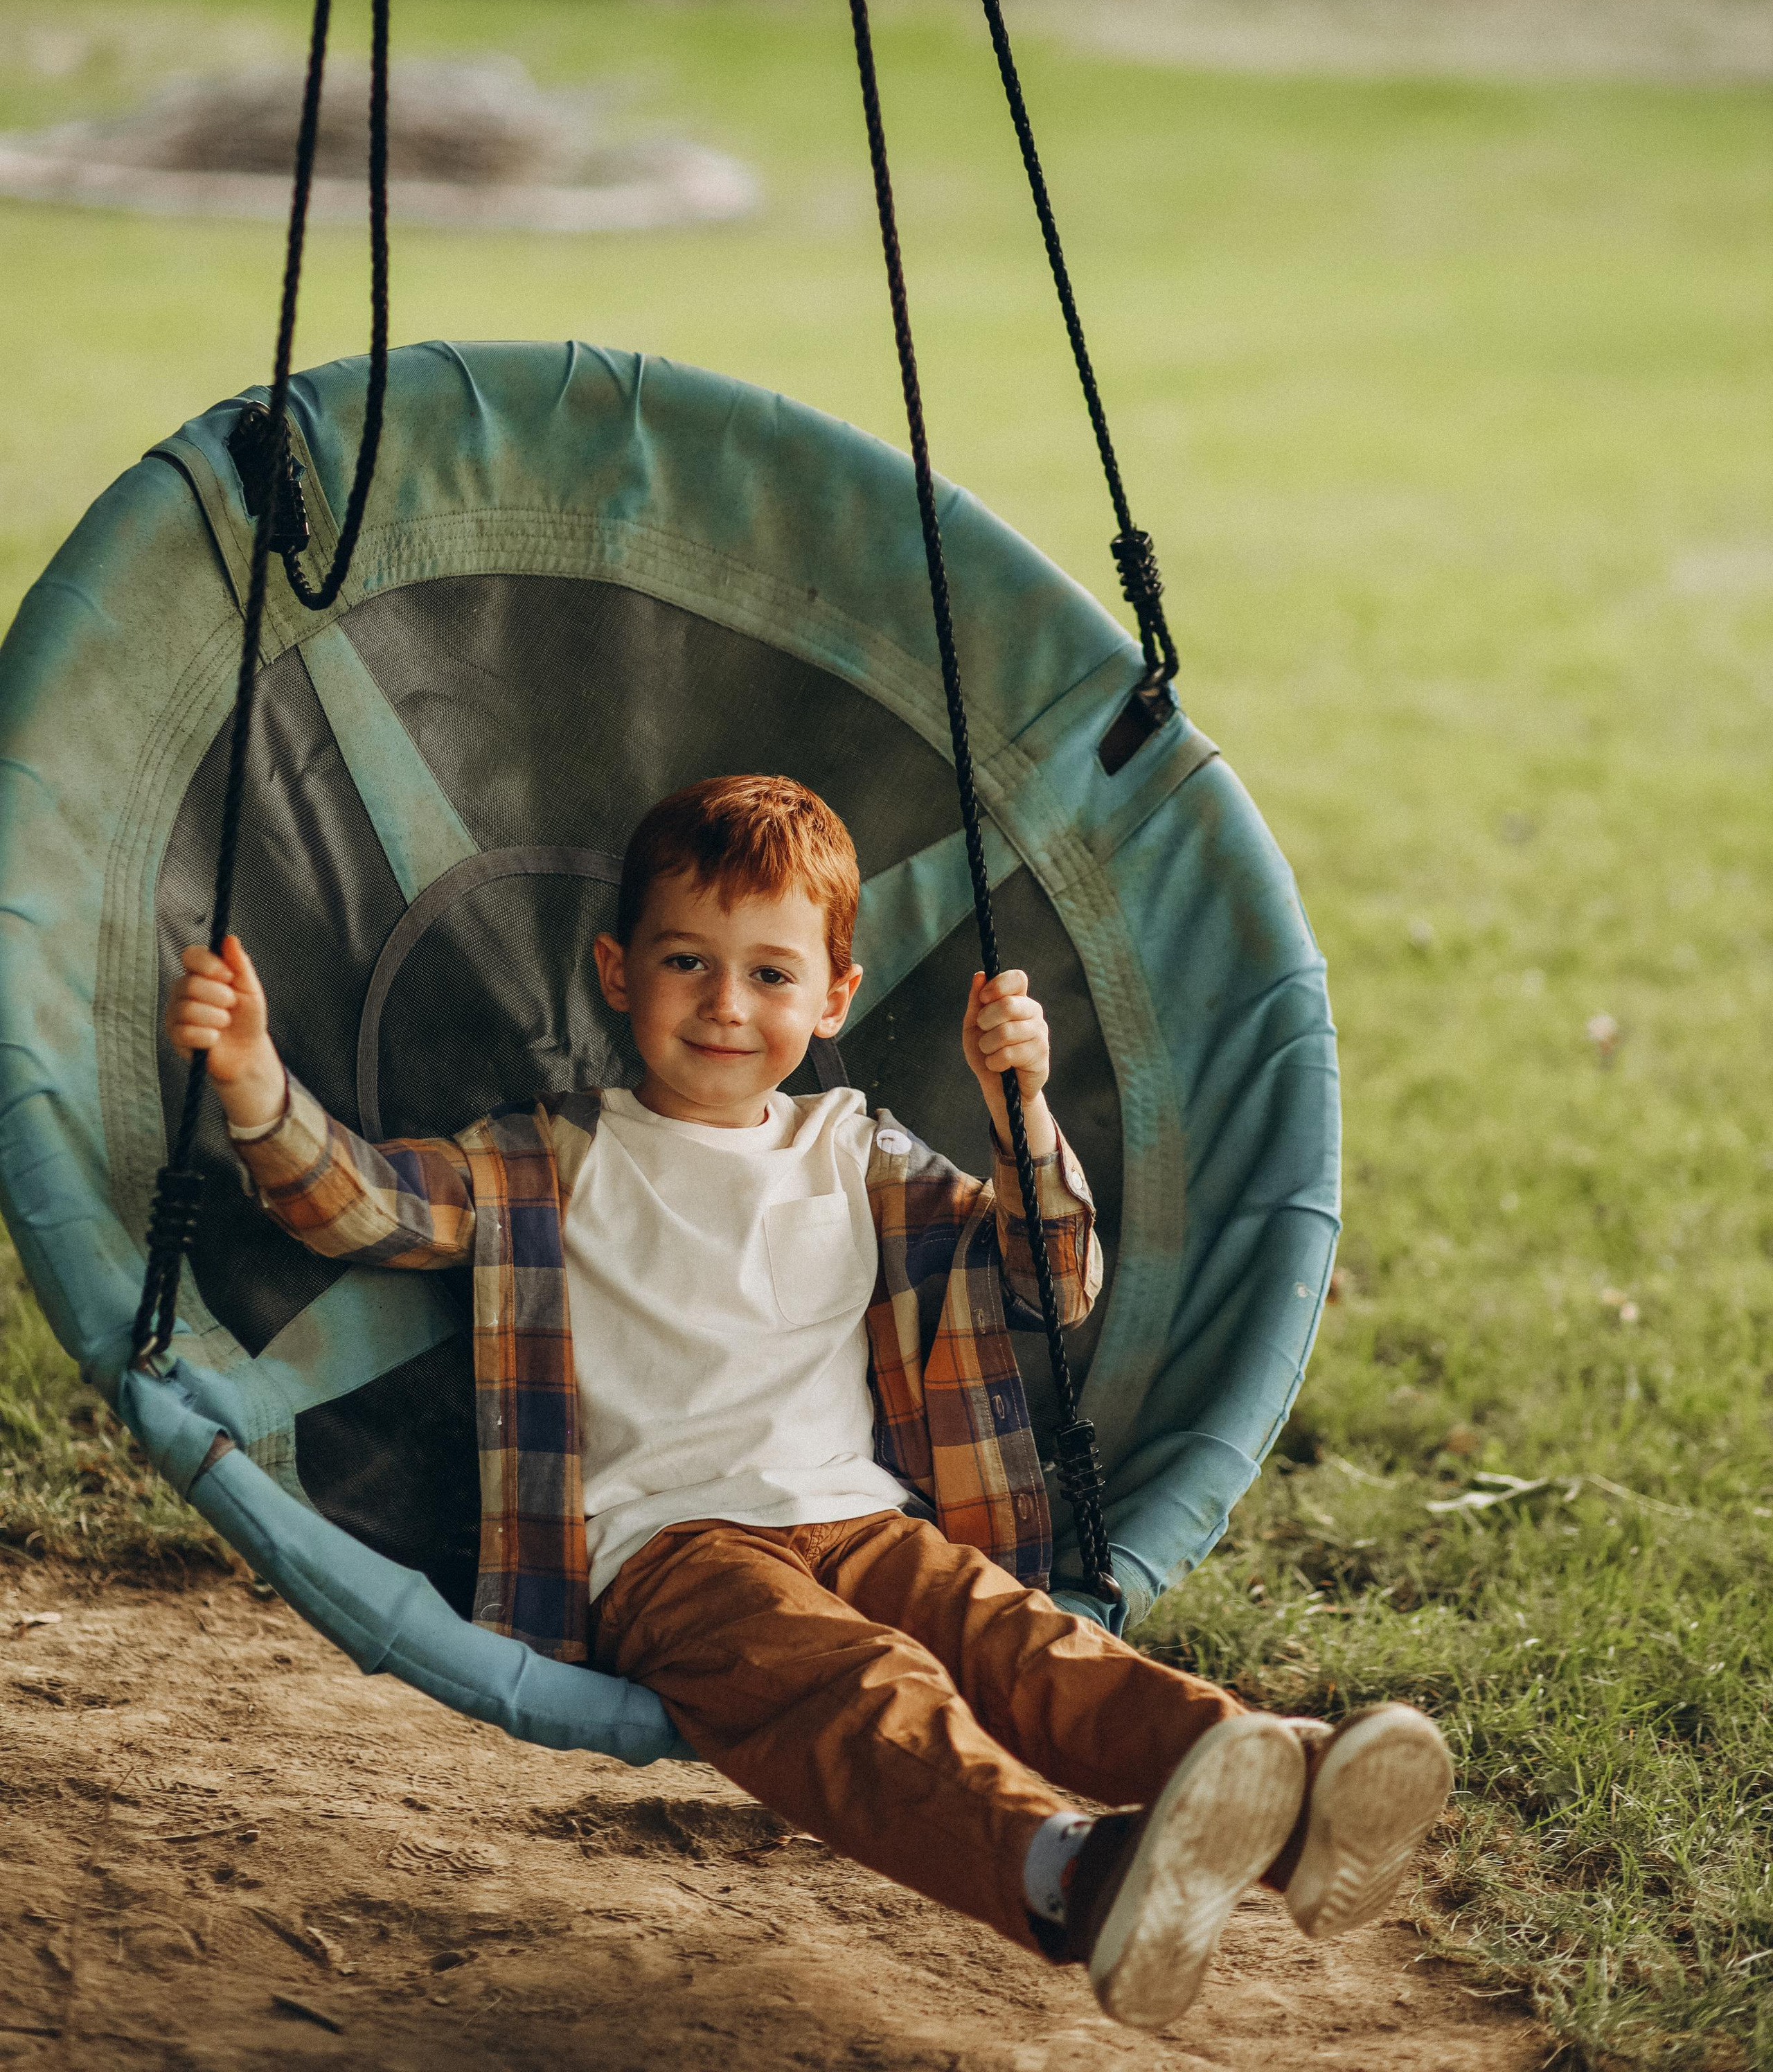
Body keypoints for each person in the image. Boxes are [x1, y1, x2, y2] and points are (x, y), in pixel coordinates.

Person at [166, 771, 1450, 2027]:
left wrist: (1020, 1109)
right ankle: (1067, 1873)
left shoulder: (856, 1152)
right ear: (617, 972)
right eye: (686, 962)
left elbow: (1052, 1279)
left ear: (834, 995)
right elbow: (360, 1207)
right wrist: (251, 1075)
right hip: (669, 1552)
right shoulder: (551, 1158)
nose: (726, 1005)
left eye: (772, 975)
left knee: (1026, 1644)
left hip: (864, 1520)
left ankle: (1288, 1794)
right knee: (859, 1683)